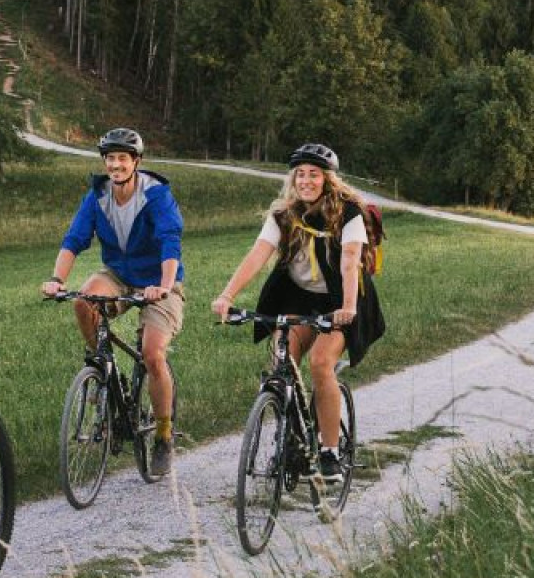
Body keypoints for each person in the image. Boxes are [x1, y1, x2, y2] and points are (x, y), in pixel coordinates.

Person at [209, 143, 384, 484]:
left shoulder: (349, 213)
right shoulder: (284, 214)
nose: (306, 181)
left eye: (314, 174)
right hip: (298, 297)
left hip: (341, 300)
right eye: (300, 174)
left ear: (328, 179)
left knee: (321, 362)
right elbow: (258, 255)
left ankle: (330, 450)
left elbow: (350, 261)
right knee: (281, 360)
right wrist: (228, 294)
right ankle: (293, 432)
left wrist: (347, 308)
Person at [41, 127, 185, 475]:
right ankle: (102, 367)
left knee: (152, 355)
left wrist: (163, 286)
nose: (116, 165)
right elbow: (74, 239)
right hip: (118, 275)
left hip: (159, 282)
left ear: (136, 161)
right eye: (111, 158)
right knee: (84, 299)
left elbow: (170, 242)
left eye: (123, 158)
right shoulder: (97, 195)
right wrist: (57, 280)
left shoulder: (156, 195)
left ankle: (164, 437)